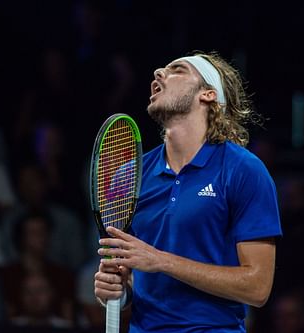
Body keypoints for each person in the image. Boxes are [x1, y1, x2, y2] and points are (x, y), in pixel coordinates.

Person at [94, 52, 282, 332]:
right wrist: (118, 292)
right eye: (160, 69)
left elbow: (257, 287)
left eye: (177, 70)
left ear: (207, 94)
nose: (158, 72)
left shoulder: (244, 170)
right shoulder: (129, 175)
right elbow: (131, 274)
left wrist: (161, 261)